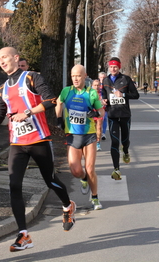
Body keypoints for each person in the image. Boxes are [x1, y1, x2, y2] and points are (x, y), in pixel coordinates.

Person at [0, 47, 76, 252]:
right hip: (17, 143)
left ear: (15, 58)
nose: (1, 61)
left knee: (51, 180)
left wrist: (27, 113)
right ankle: (23, 235)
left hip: (39, 139)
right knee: (14, 186)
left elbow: (50, 100)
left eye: (5, 57)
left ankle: (67, 205)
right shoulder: (3, 88)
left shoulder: (31, 77)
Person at [56, 64, 105, 210]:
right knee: (76, 171)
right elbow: (58, 103)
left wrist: (96, 114)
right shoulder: (66, 91)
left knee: (90, 169)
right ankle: (83, 178)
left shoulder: (91, 93)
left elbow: (101, 111)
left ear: (85, 76)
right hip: (72, 135)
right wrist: (59, 119)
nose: (75, 79)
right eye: (73, 76)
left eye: (78, 75)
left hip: (89, 135)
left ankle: (95, 197)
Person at [102, 57, 140, 180]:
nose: (113, 69)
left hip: (124, 115)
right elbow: (104, 92)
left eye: (115, 67)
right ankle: (116, 169)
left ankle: (126, 151)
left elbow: (136, 95)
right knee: (114, 142)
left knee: (125, 140)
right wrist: (104, 99)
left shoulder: (126, 79)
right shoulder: (106, 80)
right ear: (109, 67)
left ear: (119, 67)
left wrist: (123, 94)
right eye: (111, 67)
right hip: (112, 115)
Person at [92, 79, 105, 151]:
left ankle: (98, 143)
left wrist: (104, 102)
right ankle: (92, 142)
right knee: (92, 128)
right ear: (92, 86)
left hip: (100, 112)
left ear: (100, 86)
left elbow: (106, 100)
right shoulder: (89, 92)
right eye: (95, 85)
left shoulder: (102, 93)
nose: (96, 87)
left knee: (99, 127)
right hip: (91, 112)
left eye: (98, 85)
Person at [98, 72, 108, 141]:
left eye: (104, 77)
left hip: (105, 106)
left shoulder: (108, 86)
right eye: (101, 77)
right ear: (99, 78)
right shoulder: (96, 85)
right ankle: (97, 135)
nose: (102, 79)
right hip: (98, 105)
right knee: (98, 121)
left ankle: (103, 133)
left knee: (104, 119)